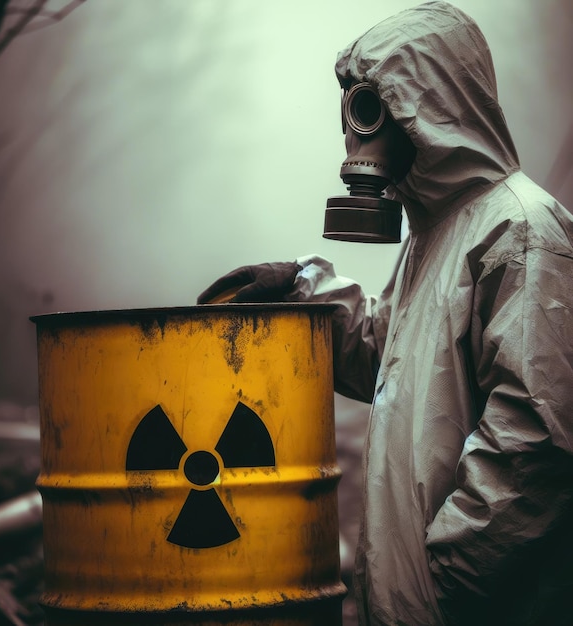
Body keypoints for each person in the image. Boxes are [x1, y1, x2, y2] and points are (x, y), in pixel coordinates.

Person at [198, 2, 573, 624]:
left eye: (374, 107)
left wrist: (444, 580)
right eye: (354, 109)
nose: (357, 133)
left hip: (462, 602)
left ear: (428, 105)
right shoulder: (438, 233)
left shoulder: (520, 232)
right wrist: (301, 294)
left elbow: (535, 441)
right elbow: (387, 355)